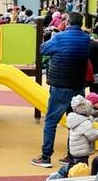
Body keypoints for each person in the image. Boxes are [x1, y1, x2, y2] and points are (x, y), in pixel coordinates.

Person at [32, 12, 91, 168]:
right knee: (75, 121)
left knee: (51, 121)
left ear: (67, 22)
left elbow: (43, 49)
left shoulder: (59, 37)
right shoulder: (86, 39)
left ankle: (46, 157)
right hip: (78, 86)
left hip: (60, 85)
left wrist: (53, 35)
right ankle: (72, 156)